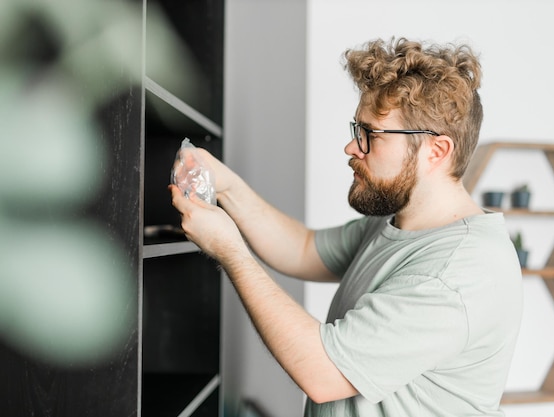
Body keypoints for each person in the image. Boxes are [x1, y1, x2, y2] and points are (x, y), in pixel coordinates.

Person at [170, 37, 523, 417]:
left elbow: (324, 373)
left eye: (371, 135)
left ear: (435, 152)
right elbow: (303, 249)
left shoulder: (458, 273)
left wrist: (231, 252)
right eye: (358, 129)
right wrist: (227, 187)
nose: (352, 148)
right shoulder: (402, 221)